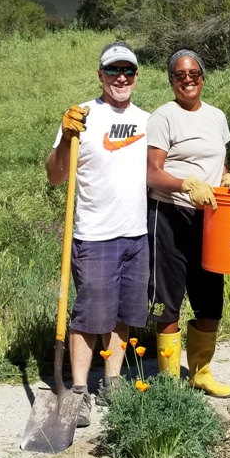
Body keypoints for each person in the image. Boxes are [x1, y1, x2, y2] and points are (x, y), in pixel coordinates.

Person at [45, 42, 149, 426]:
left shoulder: (147, 120)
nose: (120, 77)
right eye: (112, 71)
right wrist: (67, 139)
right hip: (95, 236)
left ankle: (113, 382)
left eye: (128, 71)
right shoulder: (82, 116)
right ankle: (78, 391)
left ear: (137, 76)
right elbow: (55, 176)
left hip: (137, 234)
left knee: (123, 315)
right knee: (90, 316)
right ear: (100, 75)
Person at [145, 49, 230, 398]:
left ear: (203, 76)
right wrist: (185, 184)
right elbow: (152, 173)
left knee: (210, 298)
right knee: (168, 301)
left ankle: (201, 372)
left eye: (193, 73)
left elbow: (220, 161)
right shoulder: (163, 117)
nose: (188, 79)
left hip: (211, 218)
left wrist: (225, 177)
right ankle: (169, 382)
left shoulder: (216, 117)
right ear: (171, 80)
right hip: (170, 215)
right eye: (180, 75)